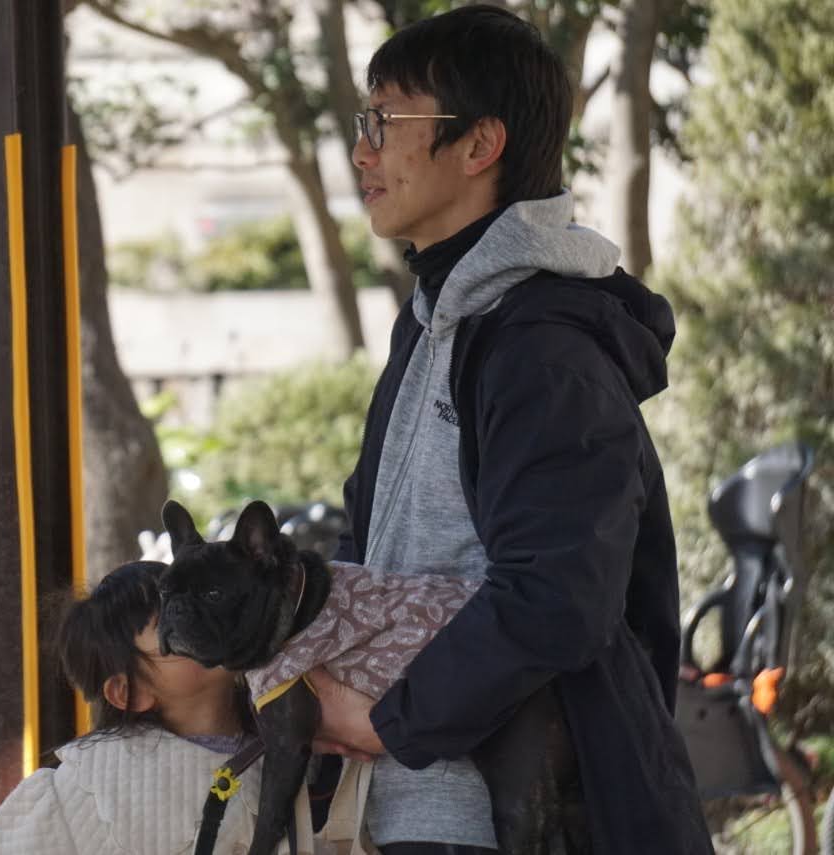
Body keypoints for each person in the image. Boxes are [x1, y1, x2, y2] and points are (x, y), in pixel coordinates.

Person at [306, 5, 715, 854]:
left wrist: (388, 720)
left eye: (385, 123)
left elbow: (557, 594)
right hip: (413, 801)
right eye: (362, 123)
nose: (362, 152)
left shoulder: (543, 348)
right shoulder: (433, 321)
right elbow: (367, 542)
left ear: (479, 145)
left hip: (508, 817)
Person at [0, 560, 373, 855]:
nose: (207, 621)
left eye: (206, 600)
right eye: (172, 623)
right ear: (127, 694)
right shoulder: (83, 787)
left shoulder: (301, 735)